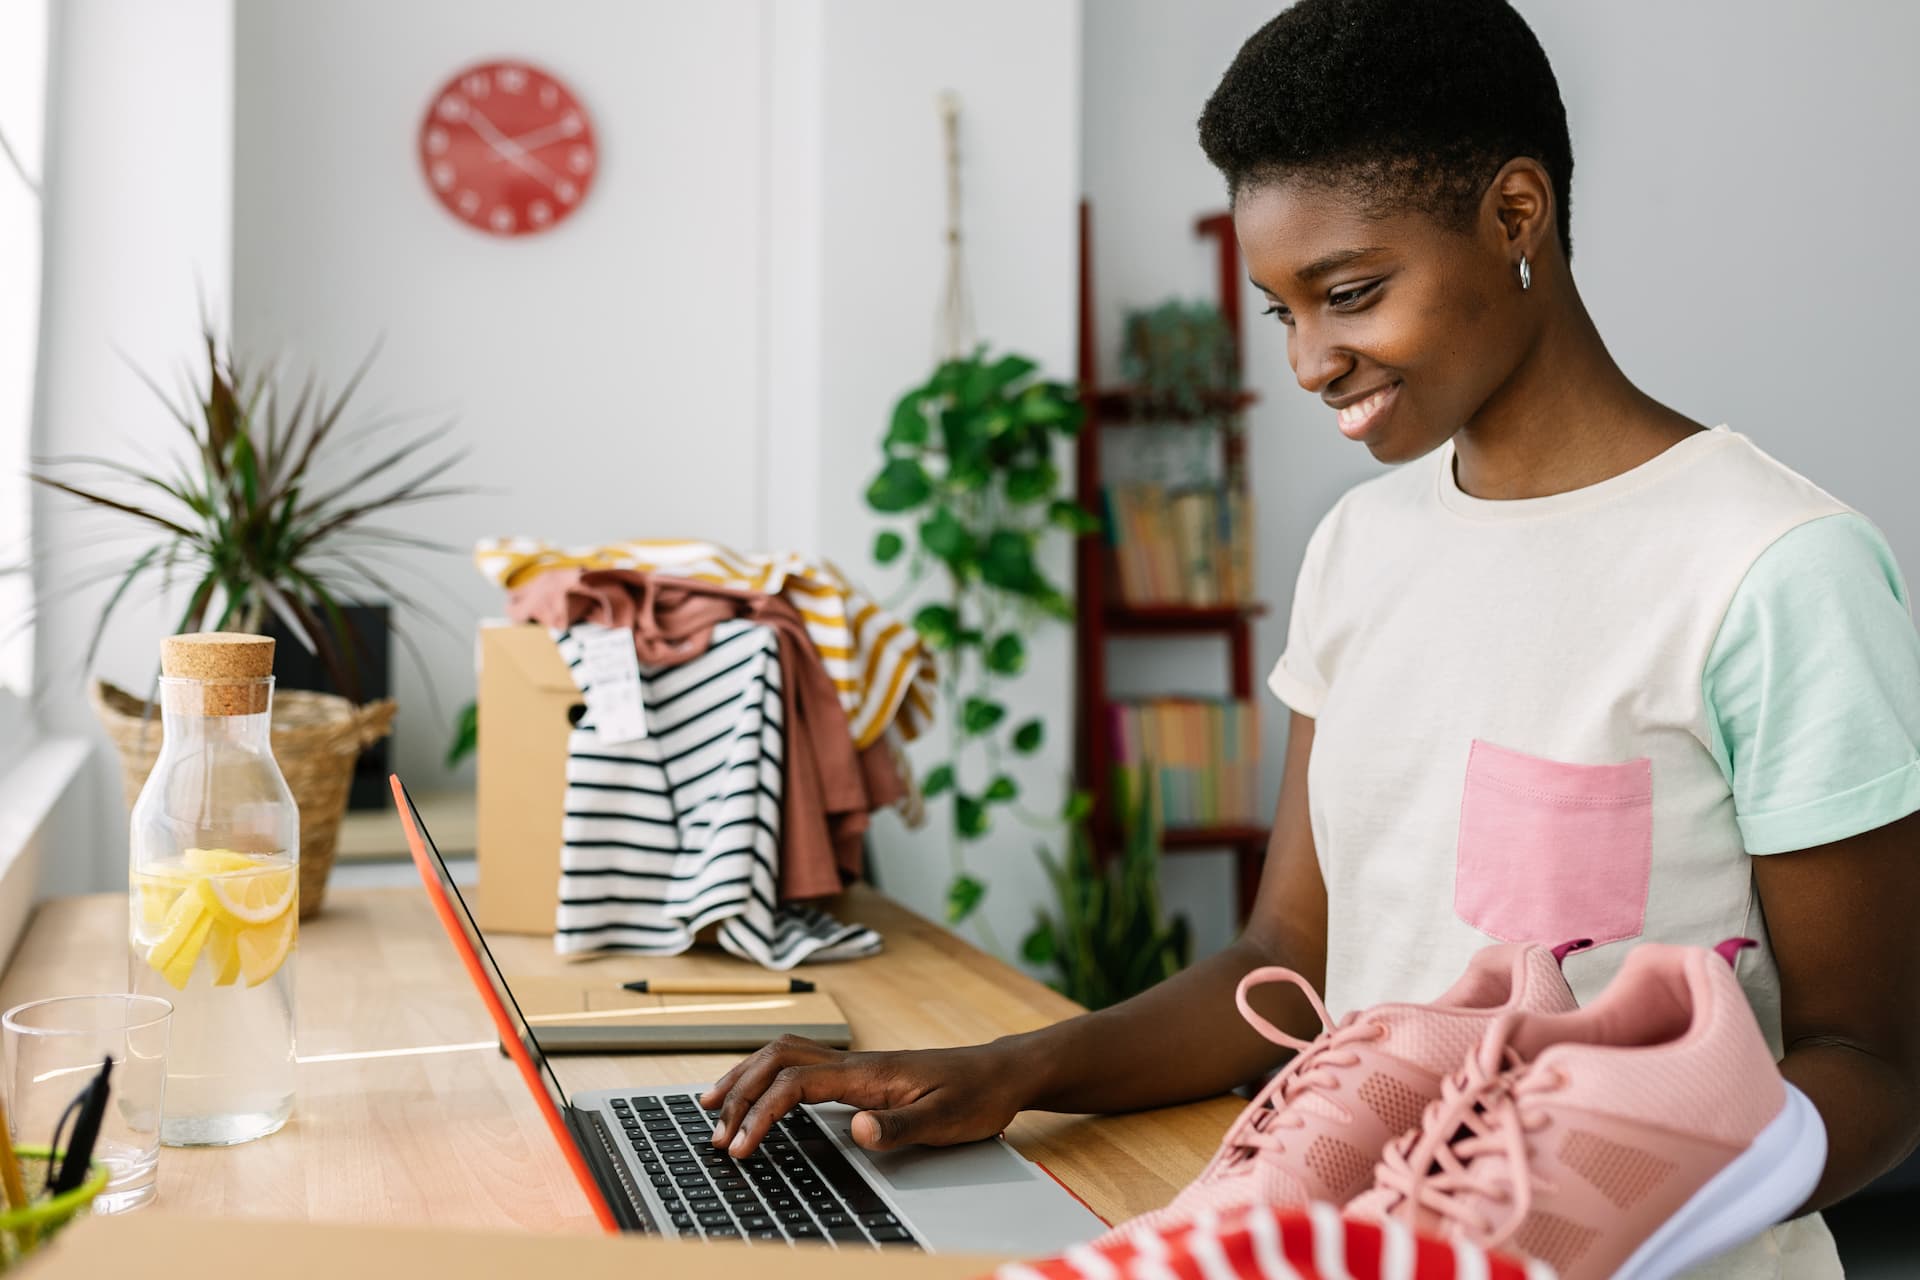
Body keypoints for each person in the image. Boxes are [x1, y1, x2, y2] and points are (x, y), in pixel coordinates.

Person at [703, 1, 1920, 1273]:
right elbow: (1285, 957)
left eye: (1349, 294)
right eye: (1282, 309)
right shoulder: (1362, 546)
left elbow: (1874, 1069)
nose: (1308, 361)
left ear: (1516, 216)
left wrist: (1583, 1207)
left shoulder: (1774, 568)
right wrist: (1004, 1071)